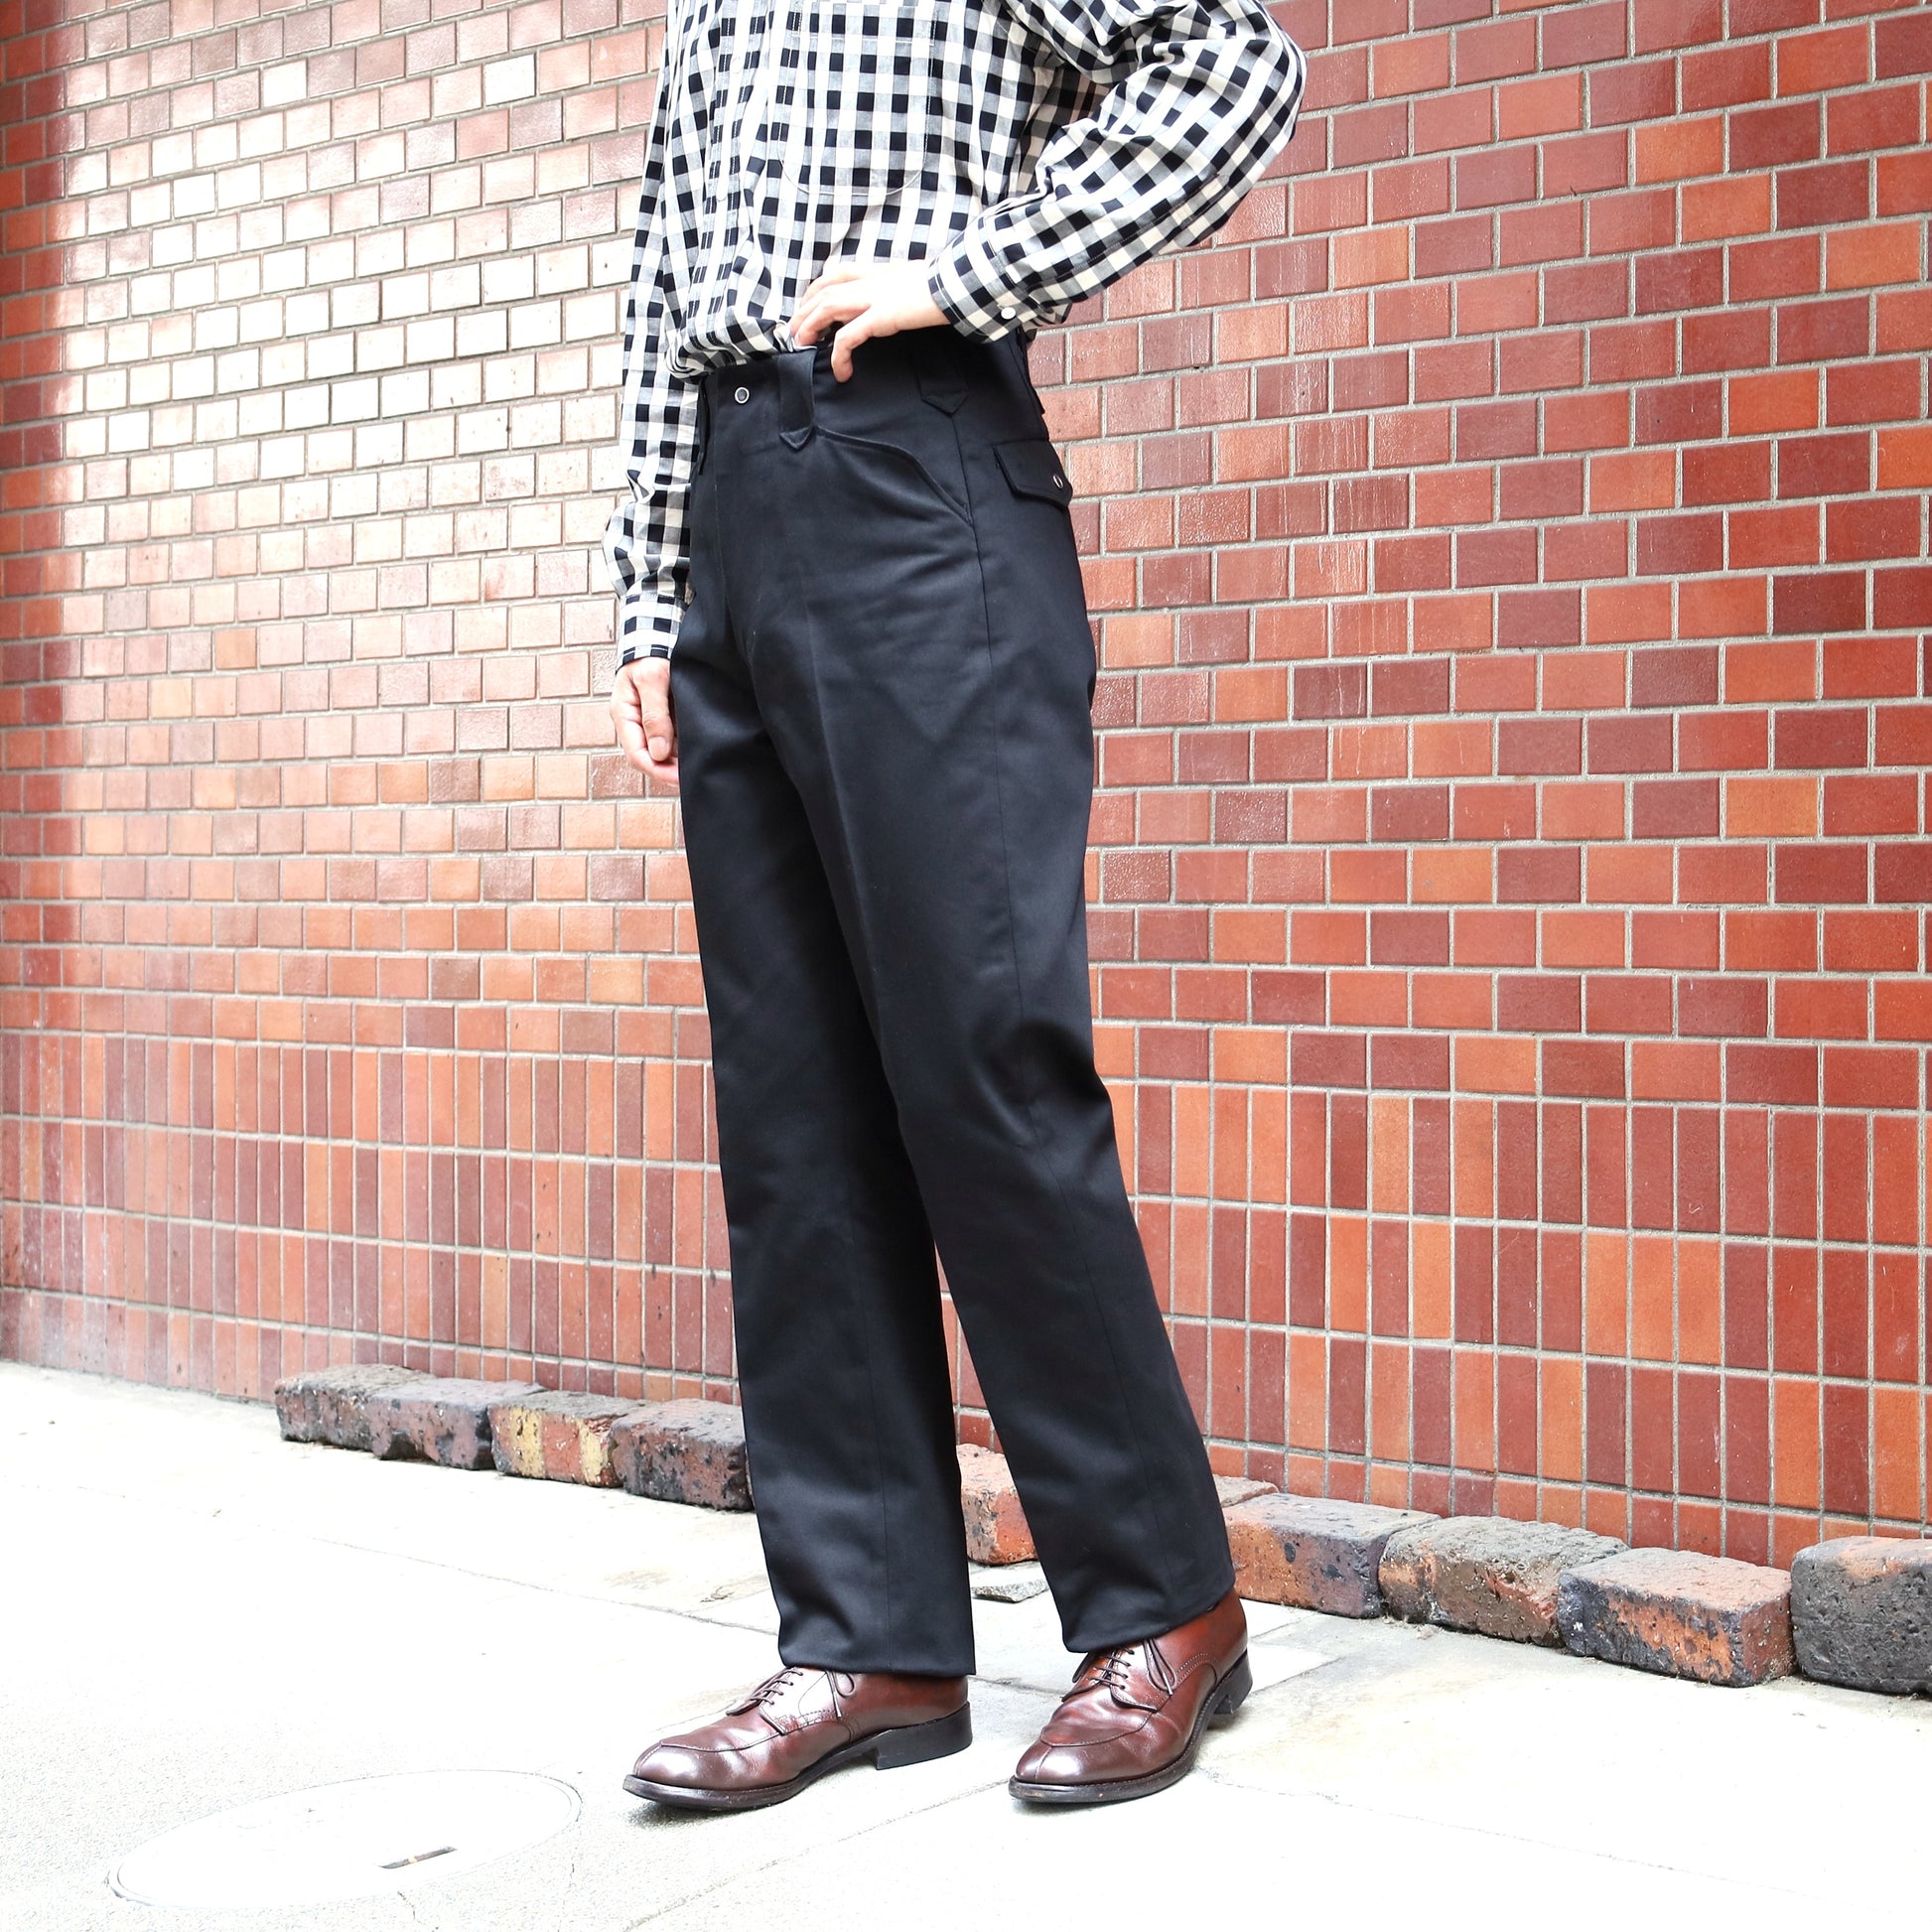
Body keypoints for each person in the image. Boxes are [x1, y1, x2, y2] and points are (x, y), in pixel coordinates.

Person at [604, 0, 1307, 1811]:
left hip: (919, 483)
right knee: (793, 1110)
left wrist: (969, 271)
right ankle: (869, 1641)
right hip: (738, 520)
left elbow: (1234, 66)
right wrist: (650, 589)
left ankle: (1162, 1606)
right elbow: (666, 270)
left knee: (984, 1057)